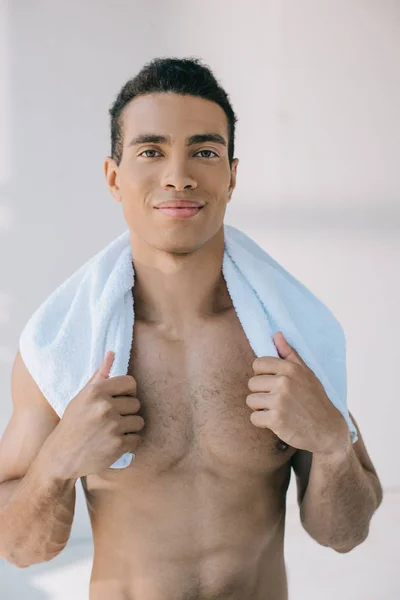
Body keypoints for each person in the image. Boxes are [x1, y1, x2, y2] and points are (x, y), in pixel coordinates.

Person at [0, 57, 383, 600]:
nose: (179, 175)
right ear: (114, 177)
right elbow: (21, 549)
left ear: (231, 176)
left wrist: (332, 447)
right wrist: (58, 462)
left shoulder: (289, 337)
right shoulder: (64, 349)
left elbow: (345, 533)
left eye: (204, 152)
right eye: (151, 151)